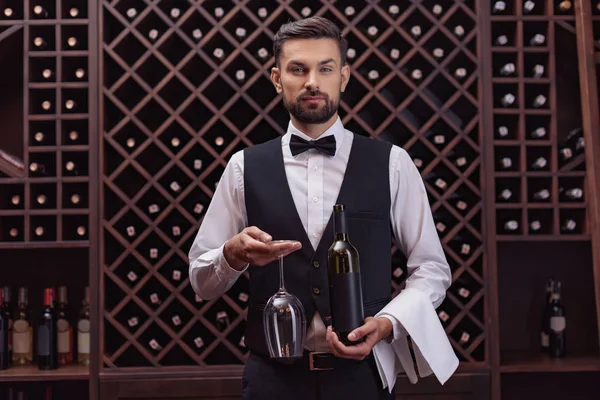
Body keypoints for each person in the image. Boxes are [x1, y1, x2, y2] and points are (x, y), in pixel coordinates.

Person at [188, 16, 459, 400]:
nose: (312, 81)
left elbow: (431, 268)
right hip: (272, 380)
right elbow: (201, 281)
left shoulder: (393, 163)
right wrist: (231, 254)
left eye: (325, 68)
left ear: (344, 76)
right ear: (277, 78)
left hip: (363, 378)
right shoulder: (242, 167)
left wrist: (386, 324)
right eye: (298, 69)